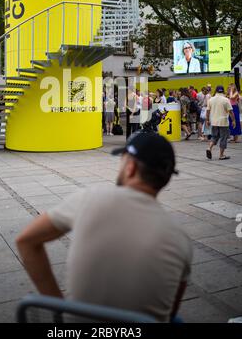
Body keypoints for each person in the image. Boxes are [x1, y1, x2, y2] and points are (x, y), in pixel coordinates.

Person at [16, 132, 192, 323]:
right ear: (165, 179)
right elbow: (171, 311)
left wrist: (57, 305)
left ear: (130, 167)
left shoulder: (89, 199)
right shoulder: (181, 239)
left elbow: (25, 241)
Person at [206, 85, 236, 160]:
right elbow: (231, 112)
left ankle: (209, 148)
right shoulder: (225, 100)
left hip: (214, 122)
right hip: (223, 122)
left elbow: (208, 111)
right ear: (223, 91)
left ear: (216, 90)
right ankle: (221, 155)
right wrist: (233, 120)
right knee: (223, 138)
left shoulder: (211, 99)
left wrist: (207, 120)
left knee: (214, 137)